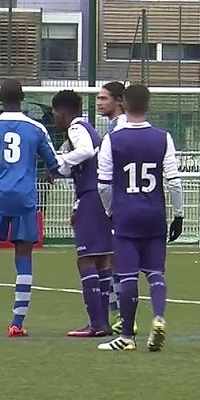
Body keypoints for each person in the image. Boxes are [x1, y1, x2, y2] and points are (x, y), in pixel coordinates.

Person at [96, 84, 185, 353]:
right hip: (154, 214)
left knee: (127, 276)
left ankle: (126, 336)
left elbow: (103, 184)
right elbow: (174, 181)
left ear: (124, 105)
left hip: (126, 215)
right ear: (148, 105)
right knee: (155, 272)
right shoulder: (163, 137)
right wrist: (178, 214)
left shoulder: (113, 139)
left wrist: (110, 211)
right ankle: (158, 317)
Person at [0, 79, 60, 338]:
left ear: (0, 99)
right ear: (23, 98)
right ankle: (17, 323)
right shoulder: (36, 128)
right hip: (24, 198)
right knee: (24, 257)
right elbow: (53, 162)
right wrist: (51, 173)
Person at [50, 90, 114, 338]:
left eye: (54, 114)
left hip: (92, 195)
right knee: (101, 259)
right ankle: (103, 322)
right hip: (97, 195)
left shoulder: (76, 128)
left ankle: (96, 323)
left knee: (86, 259)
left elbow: (85, 151)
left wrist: (59, 160)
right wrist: (61, 169)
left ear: (61, 112)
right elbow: (80, 164)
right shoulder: (87, 129)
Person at [92, 80, 128, 335]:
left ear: (119, 101)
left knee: (120, 261)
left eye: (104, 98)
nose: (99, 102)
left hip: (121, 202)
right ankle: (118, 314)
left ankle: (123, 315)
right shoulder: (113, 127)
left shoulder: (120, 128)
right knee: (112, 259)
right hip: (119, 201)